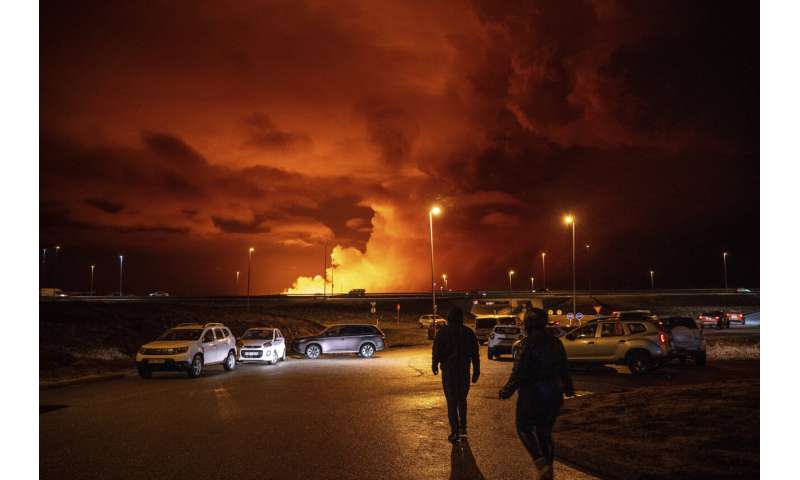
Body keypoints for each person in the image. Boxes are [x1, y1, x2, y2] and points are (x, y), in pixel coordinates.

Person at [499, 308, 574, 479]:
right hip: (554, 394)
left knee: (523, 427)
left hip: (532, 395)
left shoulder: (526, 344)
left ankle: (540, 462)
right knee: (545, 431)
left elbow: (518, 372)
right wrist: (568, 388)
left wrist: (507, 390)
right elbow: (564, 368)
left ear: (529, 324)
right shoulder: (556, 343)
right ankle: (549, 467)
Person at [432, 307, 480, 442]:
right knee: (462, 400)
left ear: (449, 318)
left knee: (451, 403)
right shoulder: (469, 333)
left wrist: (435, 364)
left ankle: (455, 431)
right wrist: (476, 371)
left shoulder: (443, 332)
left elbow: (436, 349)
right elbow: (475, 354)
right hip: (464, 371)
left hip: (449, 371)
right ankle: (463, 428)